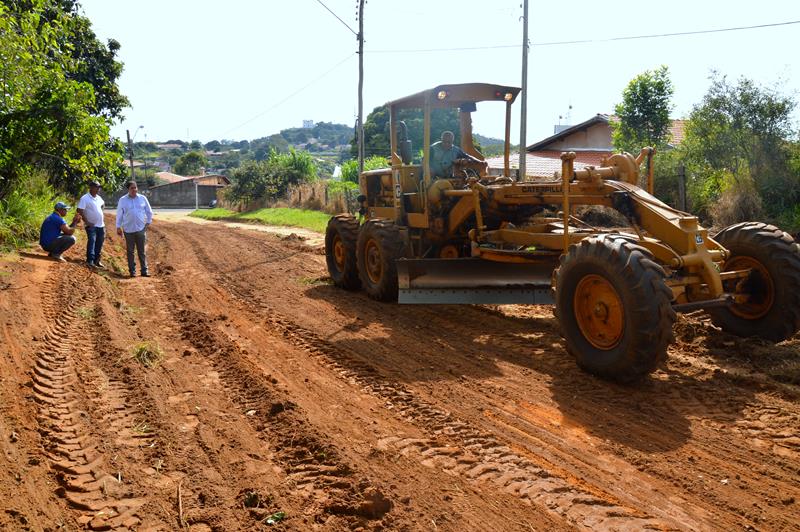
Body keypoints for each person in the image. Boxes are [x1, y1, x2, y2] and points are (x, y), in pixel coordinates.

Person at [116, 181, 153, 277]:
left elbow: (149, 211)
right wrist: (118, 227)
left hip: (141, 228)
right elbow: (119, 214)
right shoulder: (122, 200)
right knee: (130, 251)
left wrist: (148, 222)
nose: (134, 190)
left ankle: (144, 271)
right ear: (128, 189)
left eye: (135, 187)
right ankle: (132, 271)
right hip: (128, 230)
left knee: (141, 251)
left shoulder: (142, 198)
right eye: (132, 188)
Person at [77, 180, 106, 268]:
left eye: (99, 188)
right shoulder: (85, 198)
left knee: (99, 243)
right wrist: (87, 222)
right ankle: (90, 261)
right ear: (91, 188)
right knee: (92, 242)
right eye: (96, 187)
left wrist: (100, 213)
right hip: (91, 225)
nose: (98, 189)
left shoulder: (99, 198)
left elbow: (102, 205)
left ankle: (97, 260)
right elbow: (79, 210)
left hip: (100, 225)